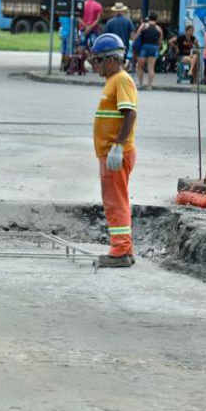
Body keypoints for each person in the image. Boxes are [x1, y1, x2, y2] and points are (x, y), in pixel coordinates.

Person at [89, 33, 138, 268]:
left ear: (111, 60)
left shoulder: (121, 80)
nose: (94, 65)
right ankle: (125, 248)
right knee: (118, 199)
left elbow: (130, 113)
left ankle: (119, 251)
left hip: (115, 153)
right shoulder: (113, 80)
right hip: (110, 152)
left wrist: (118, 145)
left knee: (114, 201)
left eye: (97, 60)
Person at [131, 11, 163, 90]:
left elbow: (137, 35)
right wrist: (157, 50)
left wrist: (133, 40)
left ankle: (141, 84)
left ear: (149, 18)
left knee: (140, 67)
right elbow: (160, 41)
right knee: (151, 68)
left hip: (144, 47)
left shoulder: (144, 25)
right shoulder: (159, 28)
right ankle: (149, 86)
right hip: (154, 48)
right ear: (156, 19)